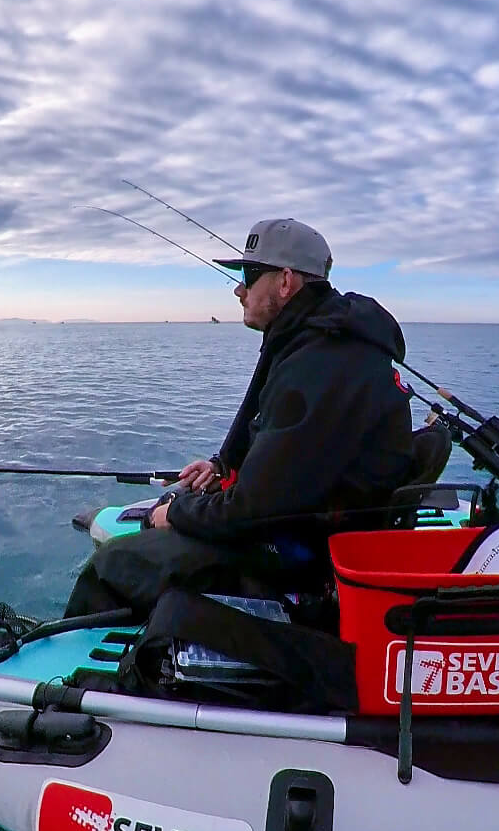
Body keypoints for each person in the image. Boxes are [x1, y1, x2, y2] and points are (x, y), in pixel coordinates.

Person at [63, 217, 416, 618]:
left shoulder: (318, 362)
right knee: (181, 506)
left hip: (310, 555)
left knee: (113, 565)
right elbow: (287, 450)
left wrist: (174, 514)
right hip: (316, 524)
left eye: (249, 276)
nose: (238, 290)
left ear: (285, 282)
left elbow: (254, 511)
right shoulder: (321, 340)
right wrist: (223, 467)